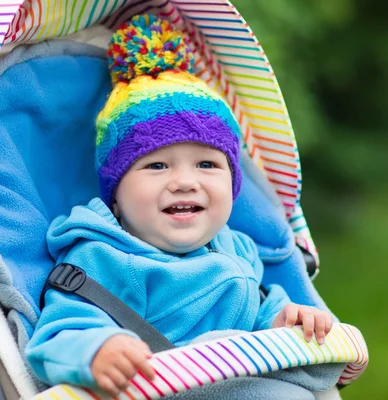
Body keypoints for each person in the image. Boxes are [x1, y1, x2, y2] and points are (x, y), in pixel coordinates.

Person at [26, 14, 338, 399]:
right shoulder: (104, 257)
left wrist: (288, 318)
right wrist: (95, 350)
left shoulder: (237, 249)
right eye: (156, 165)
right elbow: (62, 330)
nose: (185, 181)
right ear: (117, 198)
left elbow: (255, 311)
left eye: (207, 165)